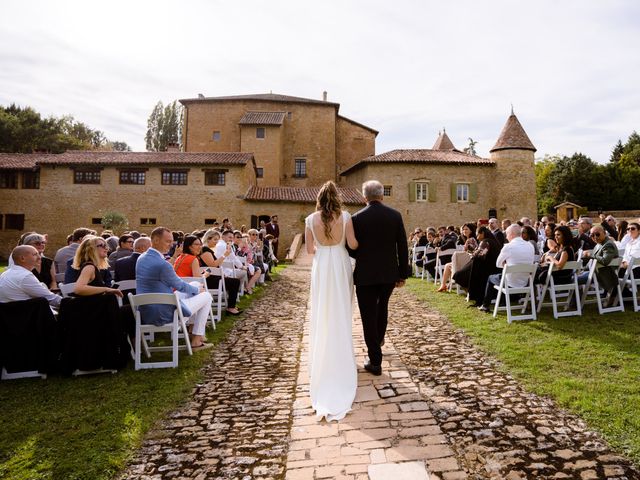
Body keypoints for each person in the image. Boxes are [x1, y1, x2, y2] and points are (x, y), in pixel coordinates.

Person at [305, 180, 359, 421]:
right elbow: (353, 244)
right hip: (339, 262)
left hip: (322, 265)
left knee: (322, 311)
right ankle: (341, 356)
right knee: (341, 310)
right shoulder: (346, 216)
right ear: (336, 197)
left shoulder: (310, 220)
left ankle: (324, 359)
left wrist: (322, 249)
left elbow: (309, 250)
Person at [351, 180, 408, 376]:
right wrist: (402, 273)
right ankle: (379, 339)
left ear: (364, 197)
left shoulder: (356, 218)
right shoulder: (395, 216)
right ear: (382, 196)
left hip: (365, 274)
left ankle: (375, 360)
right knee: (382, 307)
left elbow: (351, 247)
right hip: (388, 273)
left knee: (368, 316)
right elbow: (402, 246)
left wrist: (363, 256)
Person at [136, 227, 213, 349]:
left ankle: (192, 329)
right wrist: (198, 290)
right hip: (164, 313)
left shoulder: (141, 258)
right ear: (155, 240)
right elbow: (180, 285)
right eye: (167, 241)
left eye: (172, 241)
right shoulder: (162, 264)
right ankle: (197, 340)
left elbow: (177, 283)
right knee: (206, 295)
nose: (171, 244)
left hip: (145, 310)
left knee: (196, 284)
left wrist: (196, 288)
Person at [477, 224, 535, 312]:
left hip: (510, 283)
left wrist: (506, 264)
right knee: (504, 275)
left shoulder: (508, 247)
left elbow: (498, 264)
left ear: (511, 234)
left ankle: (485, 305)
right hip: (525, 282)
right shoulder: (530, 245)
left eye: (507, 234)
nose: (506, 237)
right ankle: (503, 302)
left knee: (491, 277)